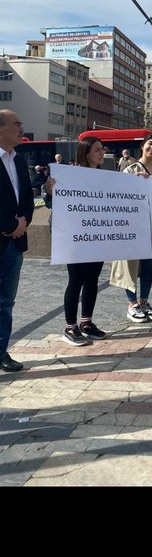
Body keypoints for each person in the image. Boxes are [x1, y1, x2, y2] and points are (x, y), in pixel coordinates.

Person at [50, 138, 109, 345]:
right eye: (97, 150)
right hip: (76, 237)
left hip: (97, 236)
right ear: (85, 153)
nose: (101, 153)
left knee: (92, 279)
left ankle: (86, 323)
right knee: (76, 280)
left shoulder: (106, 177)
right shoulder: (69, 175)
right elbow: (52, 200)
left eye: (102, 149)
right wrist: (50, 189)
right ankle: (70, 326)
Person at [109, 133, 152, 320]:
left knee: (149, 265)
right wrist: (135, 181)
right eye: (150, 144)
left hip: (151, 227)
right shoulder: (131, 169)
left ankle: (144, 301)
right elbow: (118, 194)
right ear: (142, 146)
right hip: (132, 226)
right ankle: (132, 304)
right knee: (131, 265)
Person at [0, 110, 34, 372]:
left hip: (14, 245)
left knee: (6, 302)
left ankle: (1, 351)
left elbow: (27, 200)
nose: (21, 129)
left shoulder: (20, 161)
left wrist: (23, 224)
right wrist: (10, 226)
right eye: (16, 124)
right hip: (5, 234)